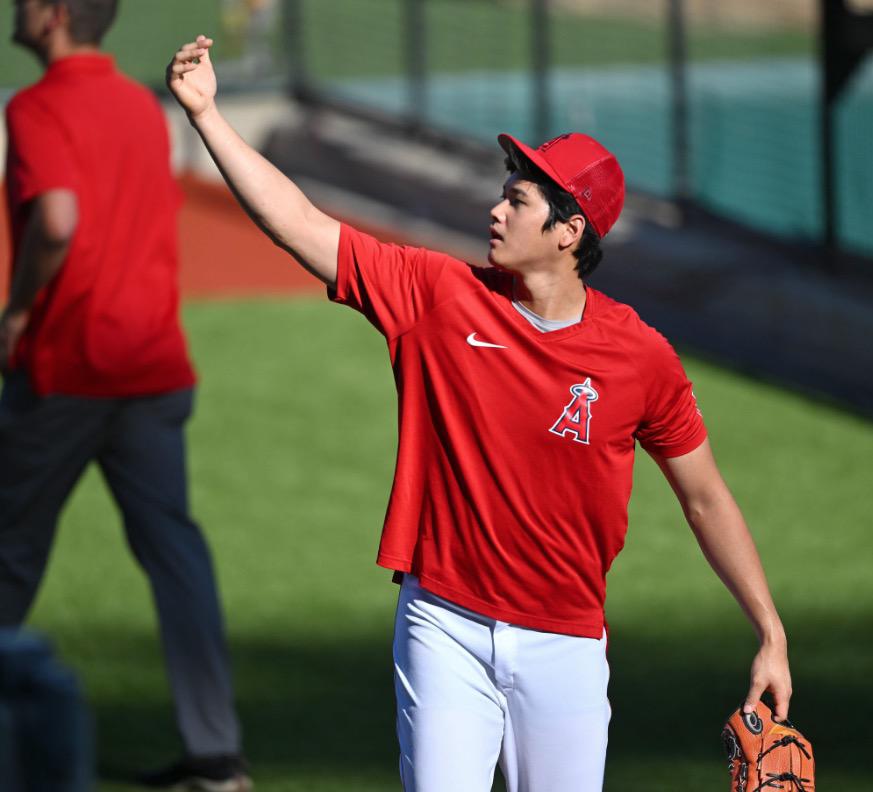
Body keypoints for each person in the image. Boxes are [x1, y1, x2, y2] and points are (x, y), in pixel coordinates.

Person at [167, 34, 793, 792]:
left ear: (569, 232)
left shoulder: (641, 357)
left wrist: (768, 627)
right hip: (444, 625)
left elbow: (703, 495)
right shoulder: (436, 294)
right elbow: (300, 224)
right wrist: (207, 116)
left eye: (517, 201)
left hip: (564, 644)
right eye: (504, 191)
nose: (495, 209)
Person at [1, 4, 248, 790]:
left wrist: (13, 312)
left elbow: (59, 219)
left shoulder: (36, 107)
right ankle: (217, 758)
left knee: (7, 553)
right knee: (177, 556)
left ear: (52, 17)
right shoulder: (144, 105)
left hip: (67, 370)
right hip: (153, 368)